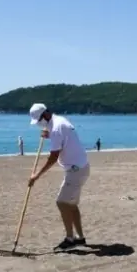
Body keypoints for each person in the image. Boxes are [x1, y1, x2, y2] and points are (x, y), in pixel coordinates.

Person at [27, 103, 91, 250]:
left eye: (38, 121)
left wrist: (36, 176)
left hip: (75, 170)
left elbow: (53, 157)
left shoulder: (56, 128)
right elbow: (63, 137)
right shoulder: (59, 121)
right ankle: (80, 238)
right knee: (71, 205)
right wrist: (48, 135)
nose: (38, 124)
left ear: (45, 115)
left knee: (61, 203)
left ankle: (70, 239)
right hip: (81, 167)